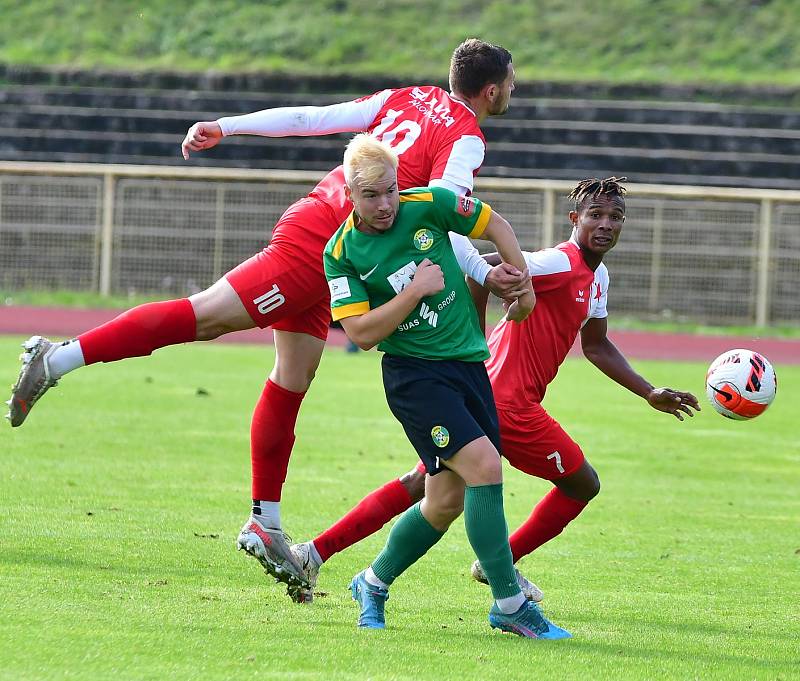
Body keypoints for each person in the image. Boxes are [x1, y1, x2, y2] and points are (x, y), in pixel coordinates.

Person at [6, 40, 527, 588]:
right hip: (322, 245)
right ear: (492, 90)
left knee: (292, 376)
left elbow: (313, 118)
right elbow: (445, 213)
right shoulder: (466, 136)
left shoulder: (410, 96)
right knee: (205, 315)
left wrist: (227, 125)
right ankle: (57, 357)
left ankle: (266, 522)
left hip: (343, 256)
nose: (514, 91)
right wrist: (484, 270)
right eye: (513, 82)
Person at [288, 176, 701, 608]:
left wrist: (649, 391)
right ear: (574, 219)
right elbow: (483, 267)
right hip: (509, 404)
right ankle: (500, 568)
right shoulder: (557, 264)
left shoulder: (598, 279)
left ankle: (317, 554)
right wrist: (475, 329)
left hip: (481, 391)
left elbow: (595, 345)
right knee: (582, 484)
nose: (605, 224)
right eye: (595, 215)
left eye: (615, 217)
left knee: (428, 488)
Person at [324, 132, 568, 639]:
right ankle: (509, 602)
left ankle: (371, 582)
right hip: (415, 378)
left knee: (443, 503)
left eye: (391, 190)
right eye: (371, 195)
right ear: (350, 194)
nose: (386, 204)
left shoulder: (429, 203)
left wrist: (518, 282)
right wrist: (415, 291)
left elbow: (494, 223)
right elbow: (361, 334)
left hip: (468, 368)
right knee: (485, 467)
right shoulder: (342, 252)